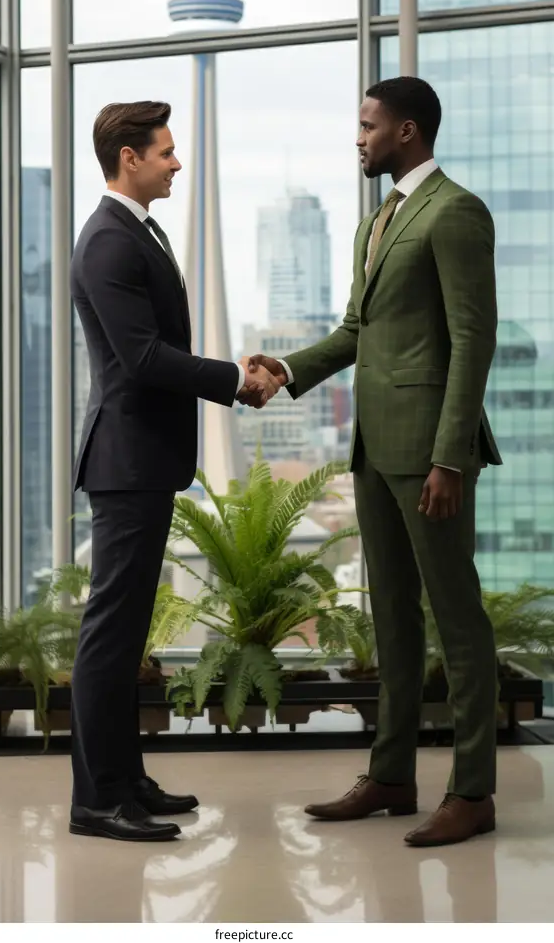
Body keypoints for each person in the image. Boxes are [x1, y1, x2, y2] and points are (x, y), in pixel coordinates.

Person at [249, 77, 502, 847]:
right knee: (390, 616)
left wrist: (450, 456)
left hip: (431, 455)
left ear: (408, 130)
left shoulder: (455, 212)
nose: (357, 137)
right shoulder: (378, 222)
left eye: (368, 125)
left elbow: (472, 339)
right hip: (373, 447)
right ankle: (391, 776)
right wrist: (285, 370)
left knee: (456, 618)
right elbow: (357, 329)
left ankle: (473, 790)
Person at [70, 100, 277, 842]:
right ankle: (97, 799)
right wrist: (234, 378)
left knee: (127, 636)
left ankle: (126, 780)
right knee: (110, 633)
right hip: (126, 462)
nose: (176, 162)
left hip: (144, 461)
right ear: (130, 157)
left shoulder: (134, 233)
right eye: (165, 151)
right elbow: (144, 357)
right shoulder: (107, 241)